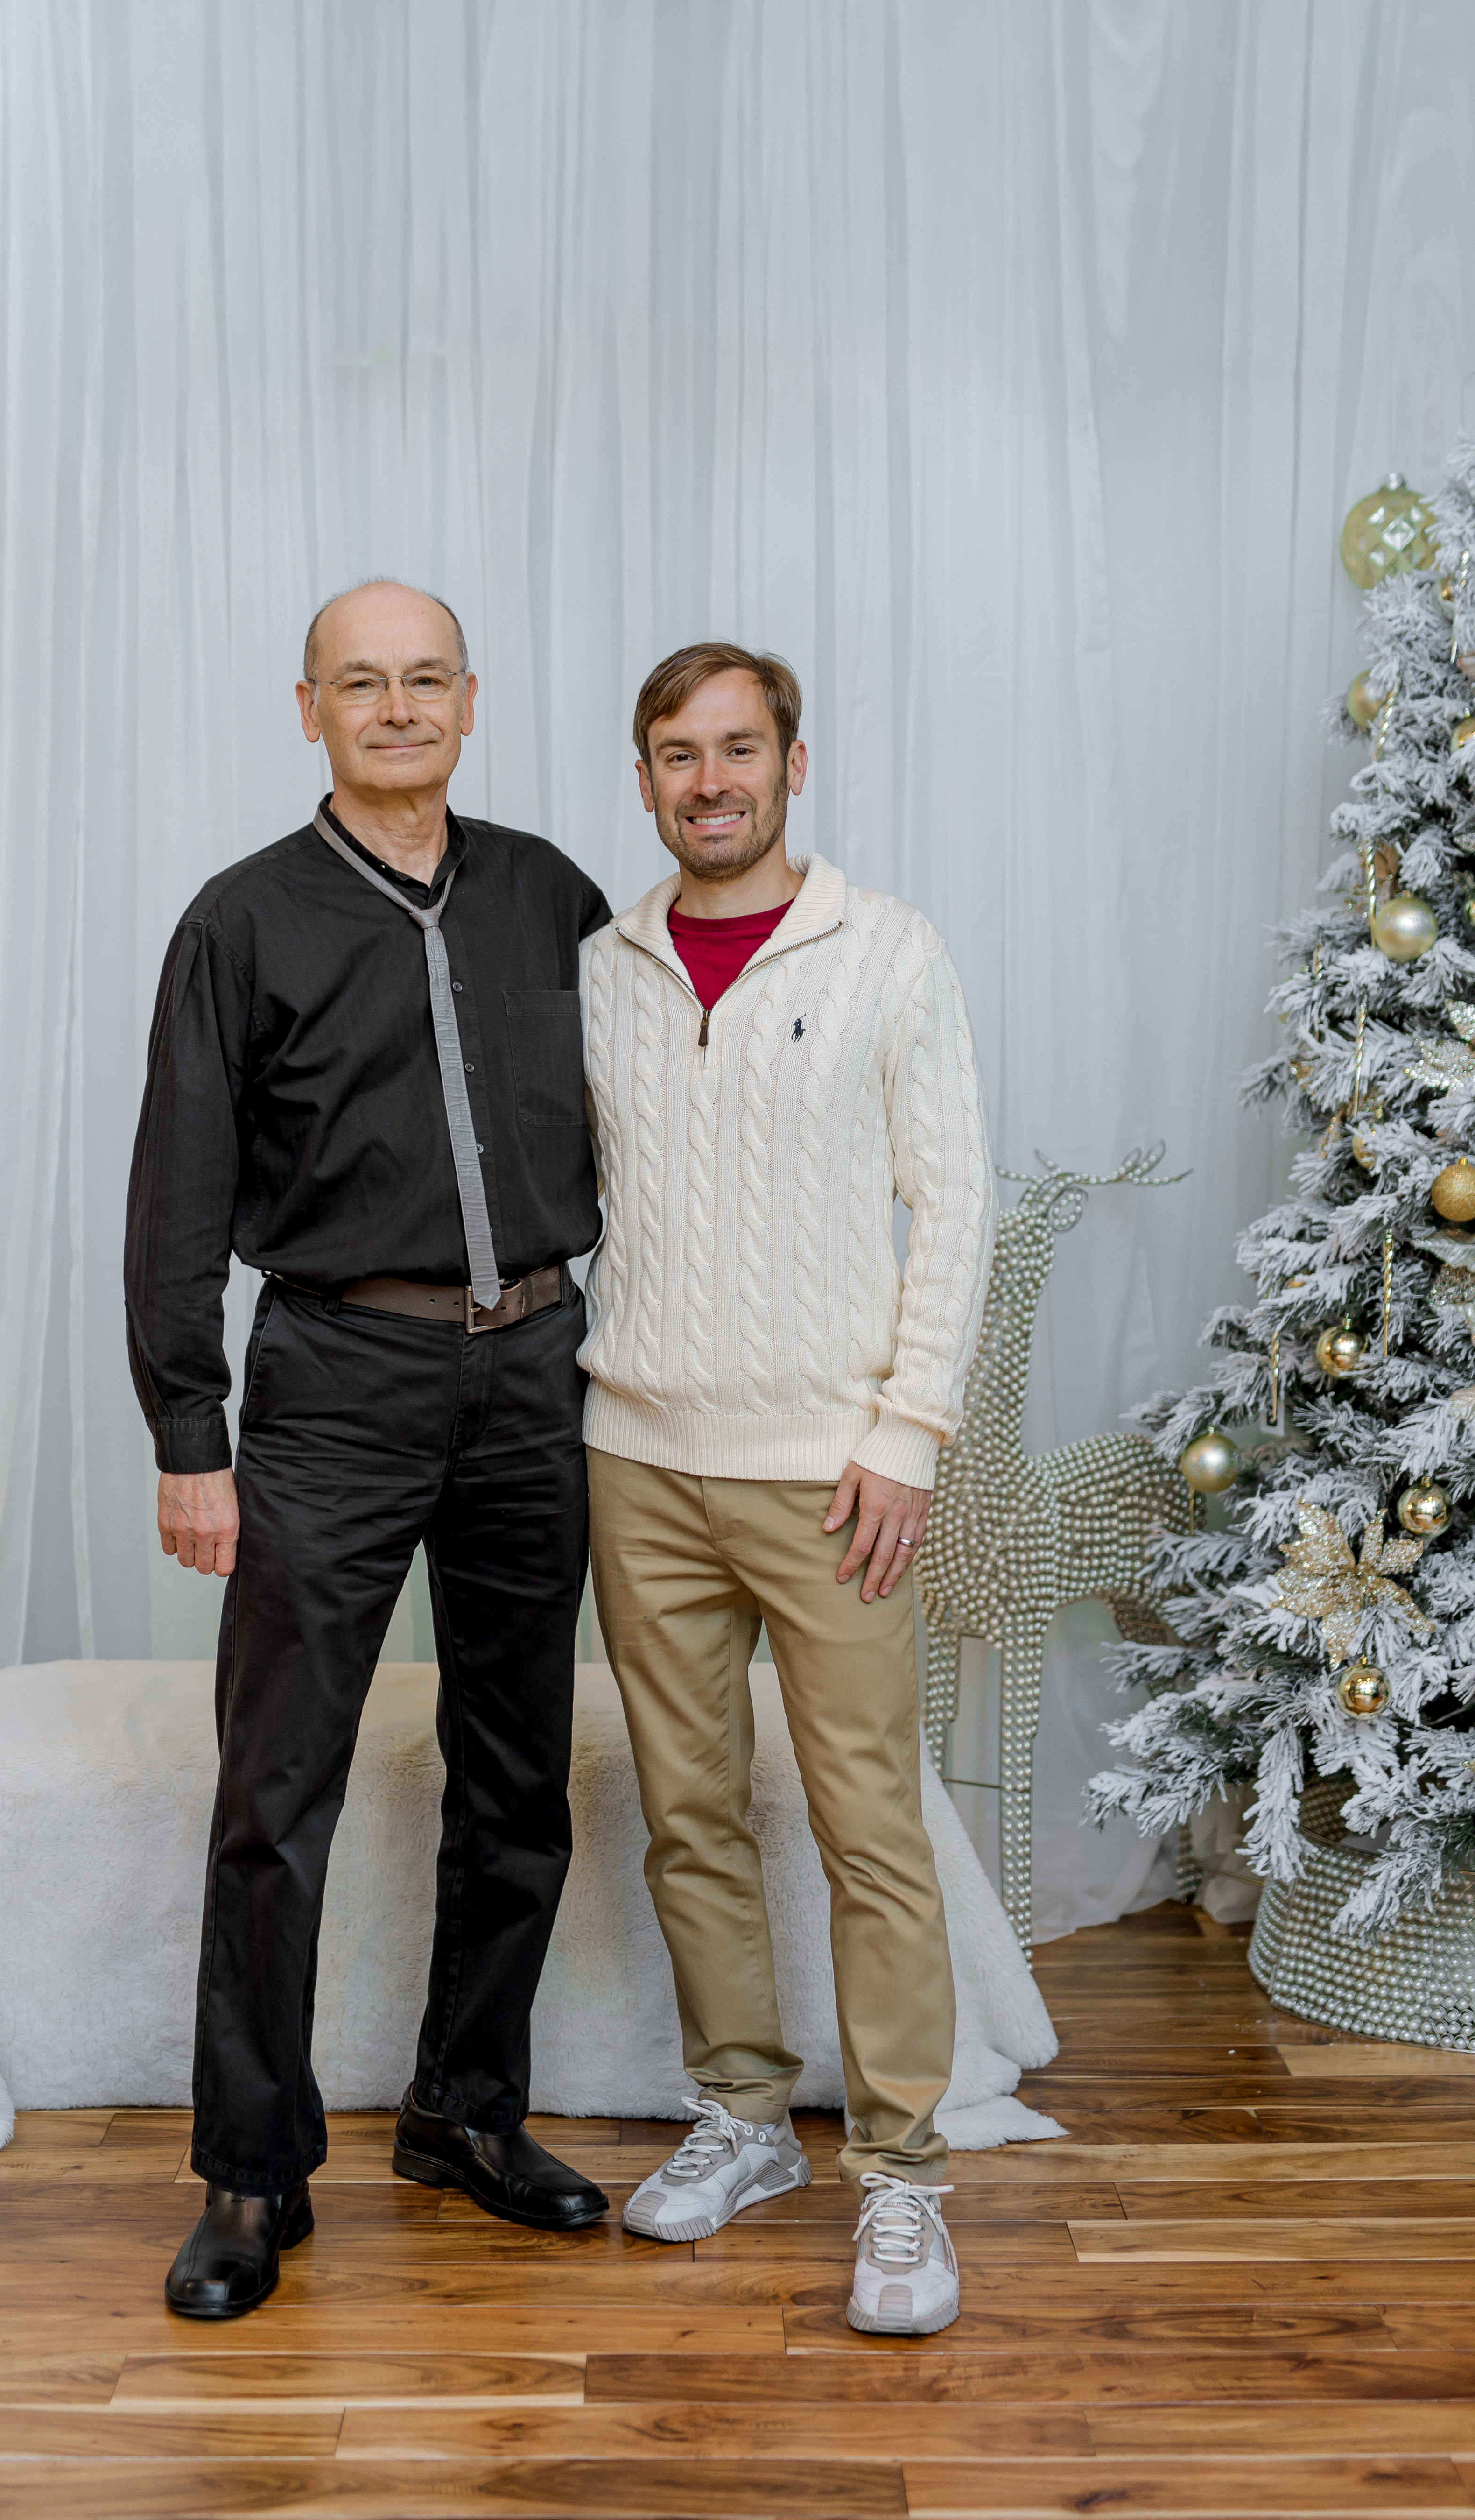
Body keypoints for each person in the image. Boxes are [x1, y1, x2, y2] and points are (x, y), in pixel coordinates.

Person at [125, 579, 612, 2320]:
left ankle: (468, 2116)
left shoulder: (555, 894)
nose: (397, 707)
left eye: (426, 680)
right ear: (310, 708)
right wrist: (195, 1432)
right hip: (333, 1379)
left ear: (472, 700)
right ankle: (252, 2172)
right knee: (278, 1790)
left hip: (536, 1375)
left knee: (518, 1770)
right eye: (361, 683)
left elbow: (648, 1127)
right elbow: (178, 1195)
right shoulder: (240, 922)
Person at [579, 641, 995, 2335]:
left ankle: (901, 2177)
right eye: (678, 754)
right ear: (649, 778)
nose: (710, 779)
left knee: (867, 1826)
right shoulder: (601, 963)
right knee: (687, 1816)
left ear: (793, 764)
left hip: (832, 1475)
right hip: (639, 1458)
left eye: (738, 748)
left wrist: (907, 1437)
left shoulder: (888, 952)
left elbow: (955, 1202)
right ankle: (743, 2116)